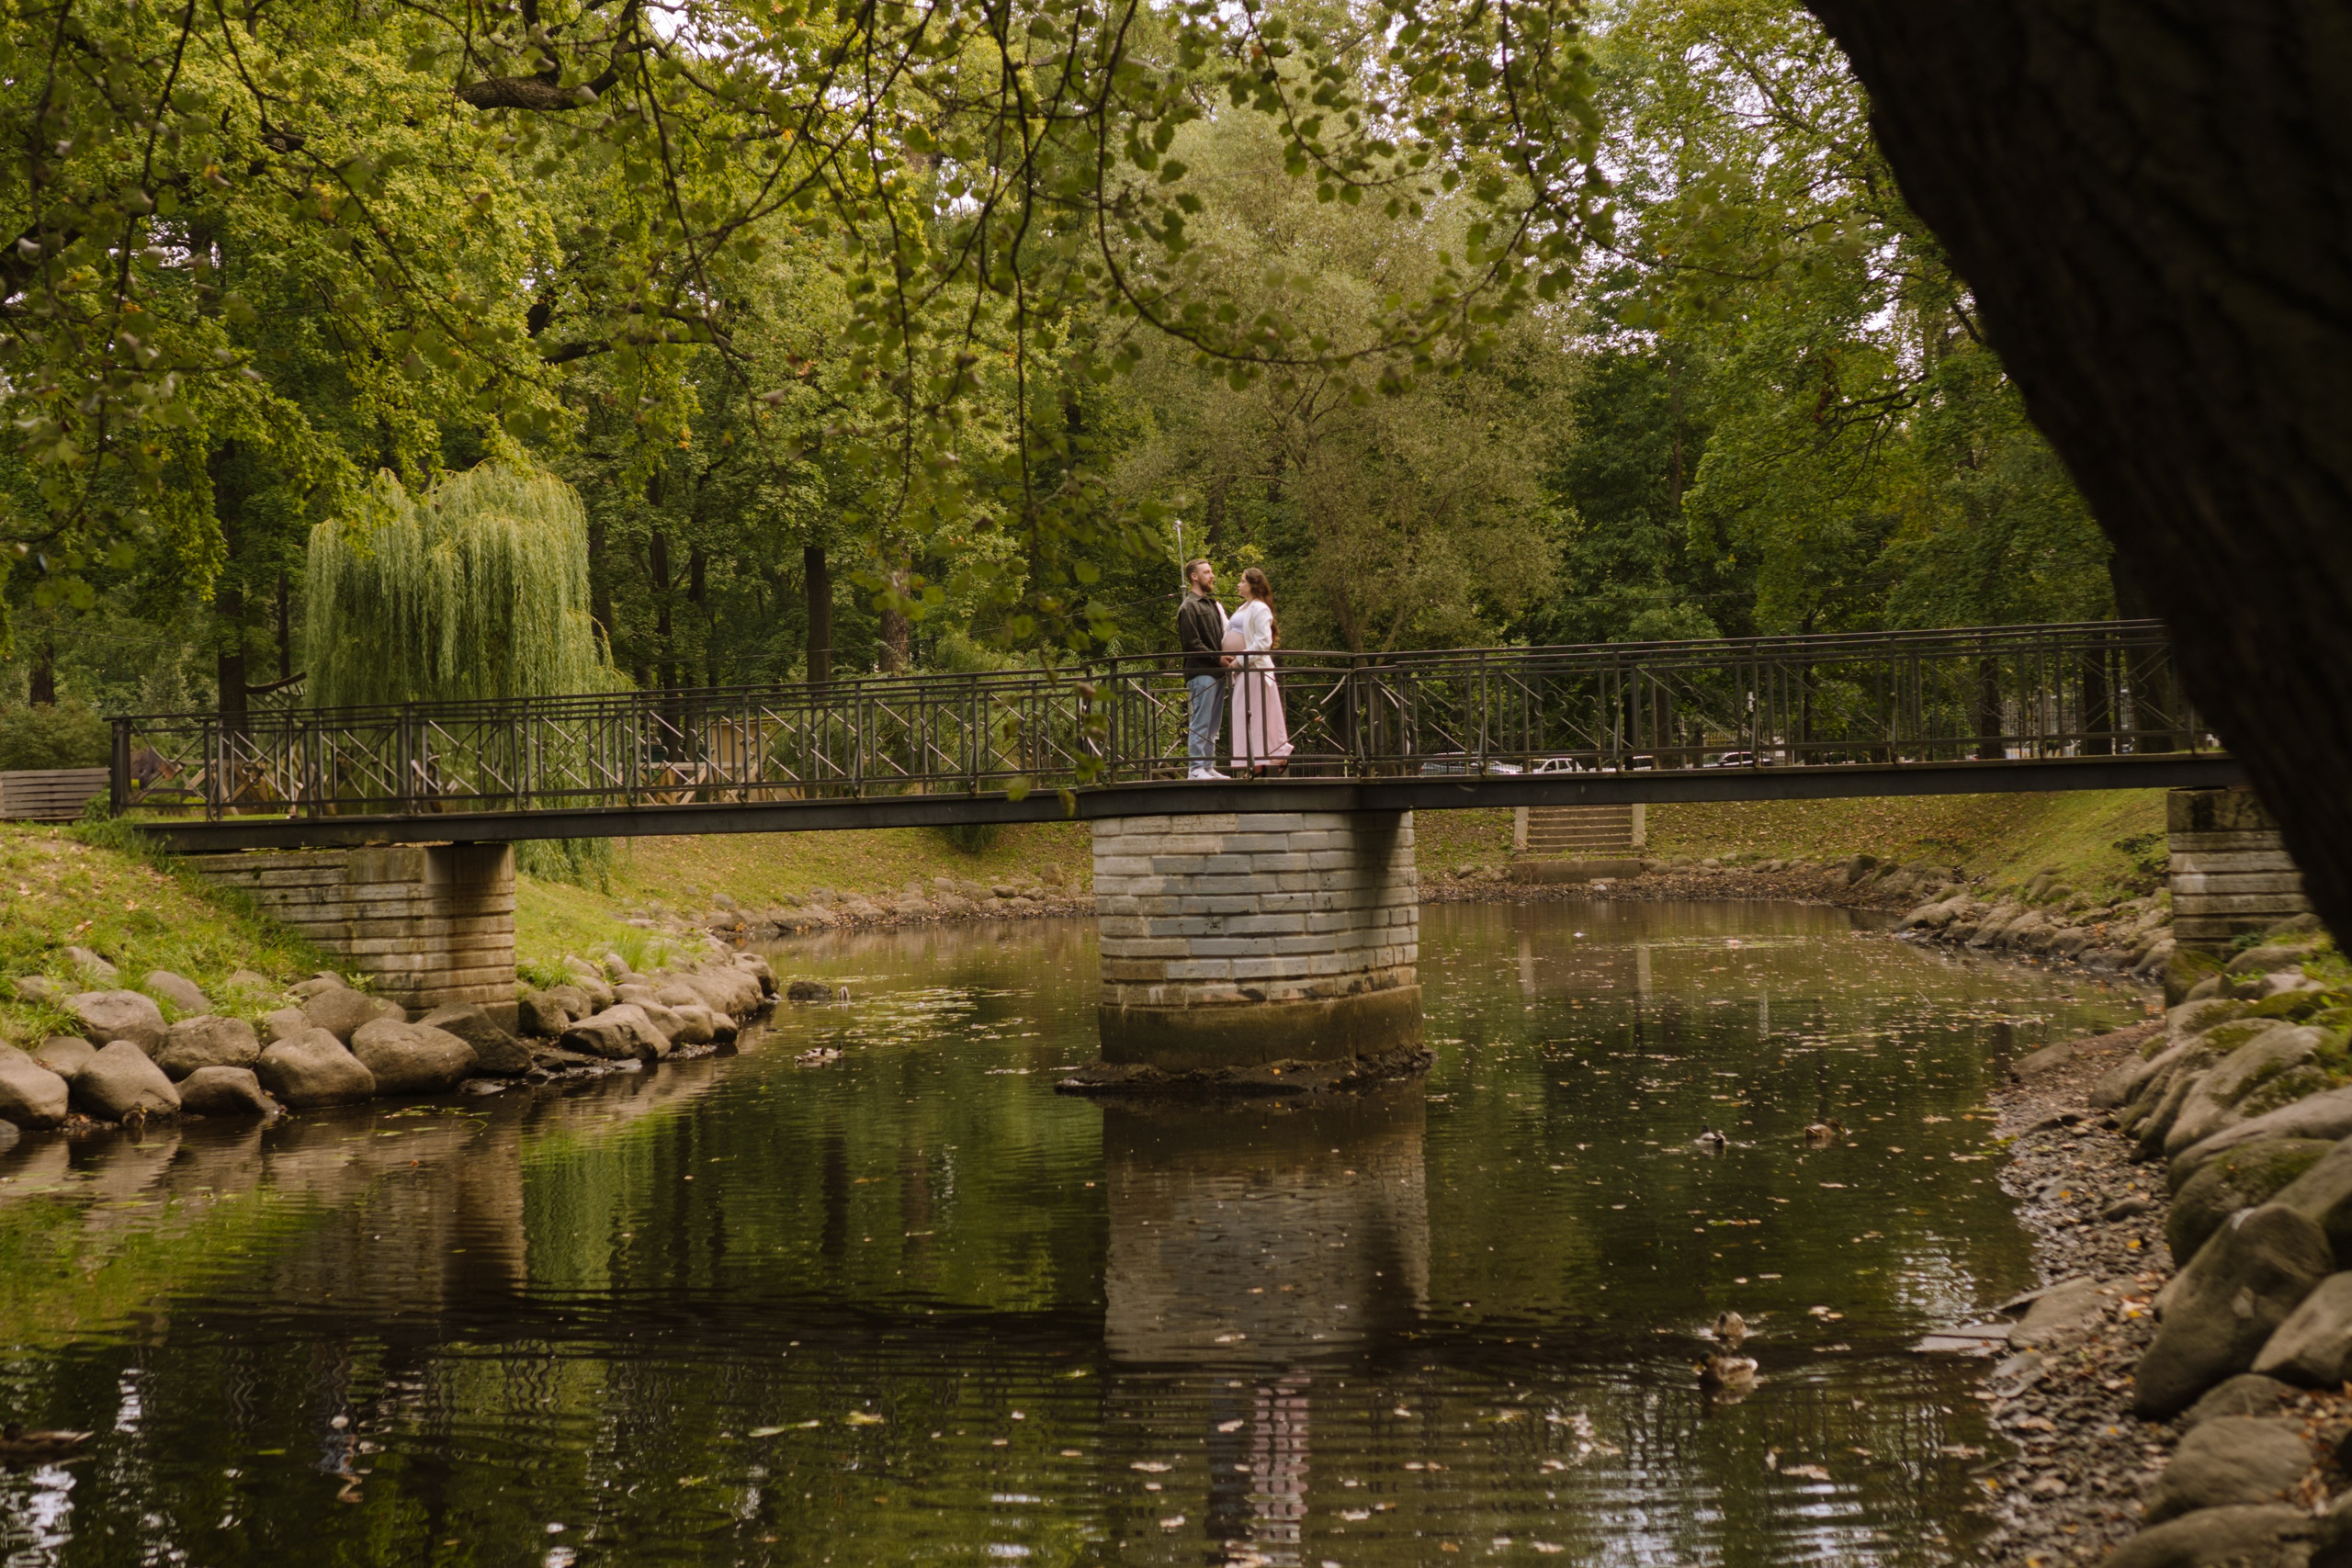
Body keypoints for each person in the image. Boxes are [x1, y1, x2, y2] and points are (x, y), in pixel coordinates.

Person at [1224, 565, 1293, 773]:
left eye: (1243, 581)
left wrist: (1240, 660)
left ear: (1253, 584)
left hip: (1255, 670)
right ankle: (1257, 762)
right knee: (1247, 715)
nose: (1239, 584)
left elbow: (1263, 642)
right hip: (1245, 671)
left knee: (1256, 715)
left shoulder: (1260, 608)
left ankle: (1265, 761)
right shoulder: (1245, 607)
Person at [1175, 557, 1230, 780]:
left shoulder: (1211, 605)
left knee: (1213, 724)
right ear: (1194, 577)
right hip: (1200, 673)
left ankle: (1207, 767)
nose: (1212, 575)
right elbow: (1192, 644)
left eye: (1211, 571)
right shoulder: (1188, 607)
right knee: (1200, 720)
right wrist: (1218, 658)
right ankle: (1195, 769)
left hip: (1217, 673)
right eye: (1207, 572)